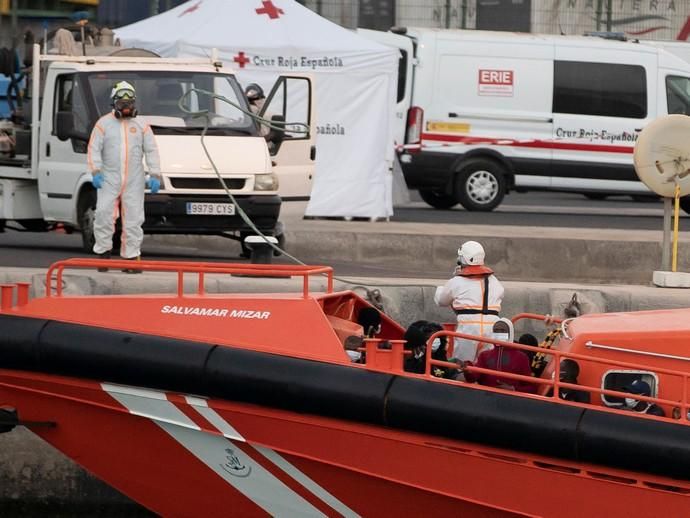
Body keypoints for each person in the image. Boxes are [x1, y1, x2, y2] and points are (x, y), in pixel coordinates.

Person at [88, 81, 161, 273]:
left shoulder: (141, 124)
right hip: (108, 177)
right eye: (122, 104)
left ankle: (130, 257)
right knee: (103, 214)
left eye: (130, 103)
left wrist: (155, 174)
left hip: (134, 179)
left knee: (134, 218)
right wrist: (95, 171)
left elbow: (151, 150)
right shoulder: (103, 124)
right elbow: (94, 148)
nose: (127, 108)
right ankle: (103, 253)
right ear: (114, 103)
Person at [434, 241, 505, 363]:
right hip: (492, 327)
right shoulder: (494, 281)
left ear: (463, 259)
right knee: (487, 366)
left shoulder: (457, 281)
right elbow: (501, 294)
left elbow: (441, 301)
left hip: (468, 327)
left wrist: (440, 289)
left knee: (462, 365)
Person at [463, 318, 536, 393]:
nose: (499, 333)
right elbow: (472, 378)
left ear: (510, 333)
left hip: (511, 400)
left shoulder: (522, 357)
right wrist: (467, 370)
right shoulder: (484, 355)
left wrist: (513, 389)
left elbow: (531, 388)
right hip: (486, 398)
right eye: (496, 331)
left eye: (502, 331)